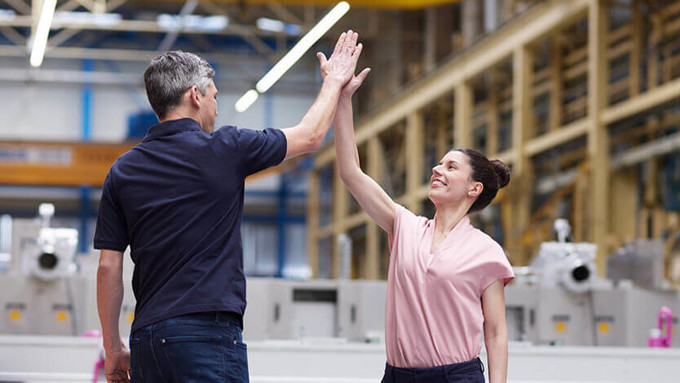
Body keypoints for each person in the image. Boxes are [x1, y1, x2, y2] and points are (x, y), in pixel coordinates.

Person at [95, 30, 364, 383]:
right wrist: (334, 82)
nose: (216, 108)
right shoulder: (226, 147)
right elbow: (311, 134)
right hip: (206, 336)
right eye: (214, 97)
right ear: (195, 96)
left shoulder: (123, 169)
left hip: (148, 340)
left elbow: (108, 268)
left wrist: (113, 348)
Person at [331, 65, 514, 382]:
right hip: (398, 376)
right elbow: (350, 172)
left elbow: (496, 333)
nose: (437, 169)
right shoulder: (405, 227)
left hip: (456, 377)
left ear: (474, 189)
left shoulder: (486, 252)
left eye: (451, 166)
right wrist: (343, 99)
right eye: (439, 163)